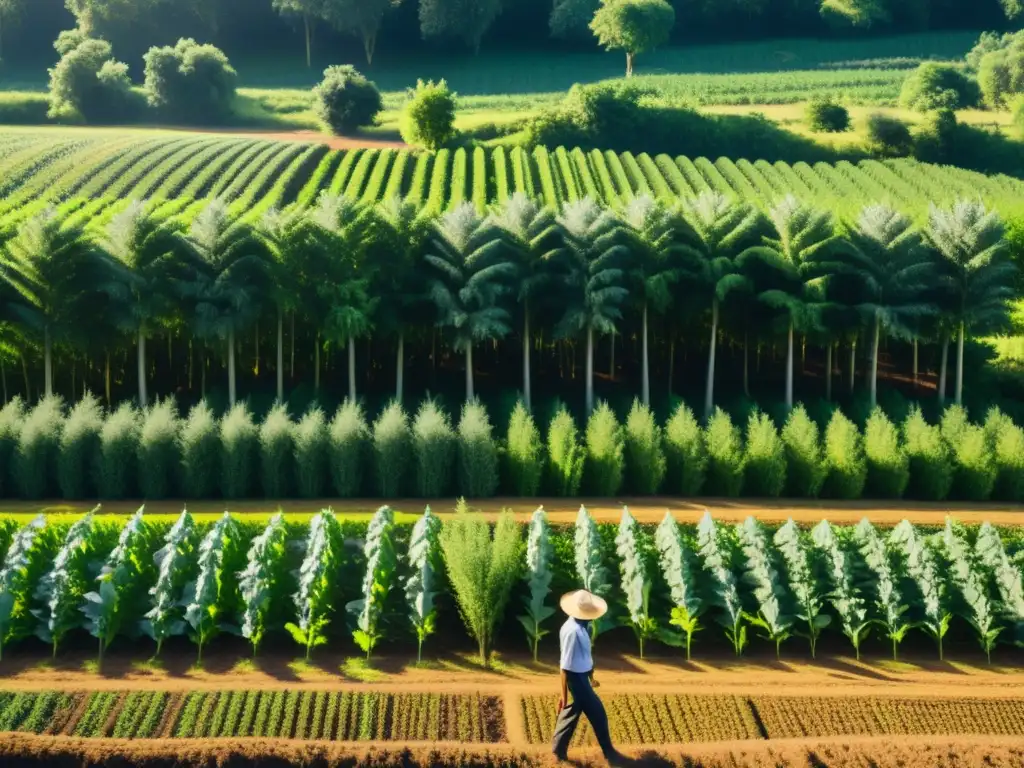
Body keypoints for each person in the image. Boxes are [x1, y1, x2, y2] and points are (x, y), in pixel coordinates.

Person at [552, 589, 624, 766]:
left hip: (582, 677)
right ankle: (609, 753)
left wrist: (591, 677)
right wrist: (563, 695)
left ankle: (558, 752)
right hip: (575, 679)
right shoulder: (572, 632)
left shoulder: (583, 627)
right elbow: (565, 665)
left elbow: (584, 656)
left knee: (571, 714)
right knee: (597, 712)